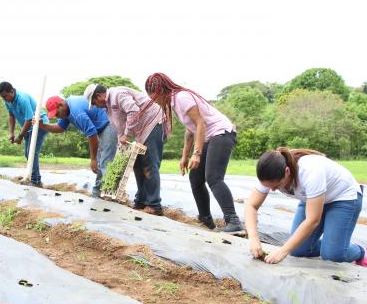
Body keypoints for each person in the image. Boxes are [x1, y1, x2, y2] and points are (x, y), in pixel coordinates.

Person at [143, 72, 242, 232]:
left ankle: (234, 221)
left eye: (154, 97)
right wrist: (184, 157)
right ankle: (206, 220)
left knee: (214, 178)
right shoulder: (174, 103)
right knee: (195, 177)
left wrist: (196, 153)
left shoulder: (181, 98)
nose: (155, 102)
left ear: (161, 91)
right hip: (210, 137)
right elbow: (190, 131)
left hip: (221, 134)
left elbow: (200, 123)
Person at [245, 147, 367, 267]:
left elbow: (312, 220)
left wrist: (282, 251)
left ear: (287, 171)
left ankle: (360, 251)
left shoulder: (309, 171)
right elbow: (251, 206)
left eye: (277, 186)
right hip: (312, 199)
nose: (272, 190)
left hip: (343, 198)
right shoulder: (269, 173)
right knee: (297, 250)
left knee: (332, 255)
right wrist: (253, 238)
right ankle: (331, 244)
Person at [84, 84, 164, 215]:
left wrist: (127, 134)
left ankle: (154, 205)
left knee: (149, 165)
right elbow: (119, 129)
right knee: (137, 165)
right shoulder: (108, 109)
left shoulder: (117, 94)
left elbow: (133, 111)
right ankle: (141, 201)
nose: (96, 106)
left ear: (99, 96)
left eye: (94, 103)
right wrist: (121, 143)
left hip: (153, 123)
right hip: (141, 131)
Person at [35, 95, 117, 197]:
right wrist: (43, 125)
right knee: (102, 163)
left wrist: (93, 159)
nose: (57, 117)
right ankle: (97, 194)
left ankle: (112, 196)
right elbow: (60, 128)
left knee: (105, 163)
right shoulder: (66, 110)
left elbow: (92, 135)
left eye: (57, 113)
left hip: (109, 124)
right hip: (101, 129)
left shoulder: (76, 112)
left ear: (61, 105)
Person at [0, 82, 49, 187]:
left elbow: (29, 119)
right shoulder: (8, 101)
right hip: (30, 127)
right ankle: (34, 178)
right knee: (28, 153)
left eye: (5, 96)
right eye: (2, 97)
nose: (4, 99)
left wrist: (20, 137)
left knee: (31, 152)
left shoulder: (22, 99)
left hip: (40, 124)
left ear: (12, 91)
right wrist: (11, 133)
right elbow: (11, 115)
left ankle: (36, 181)